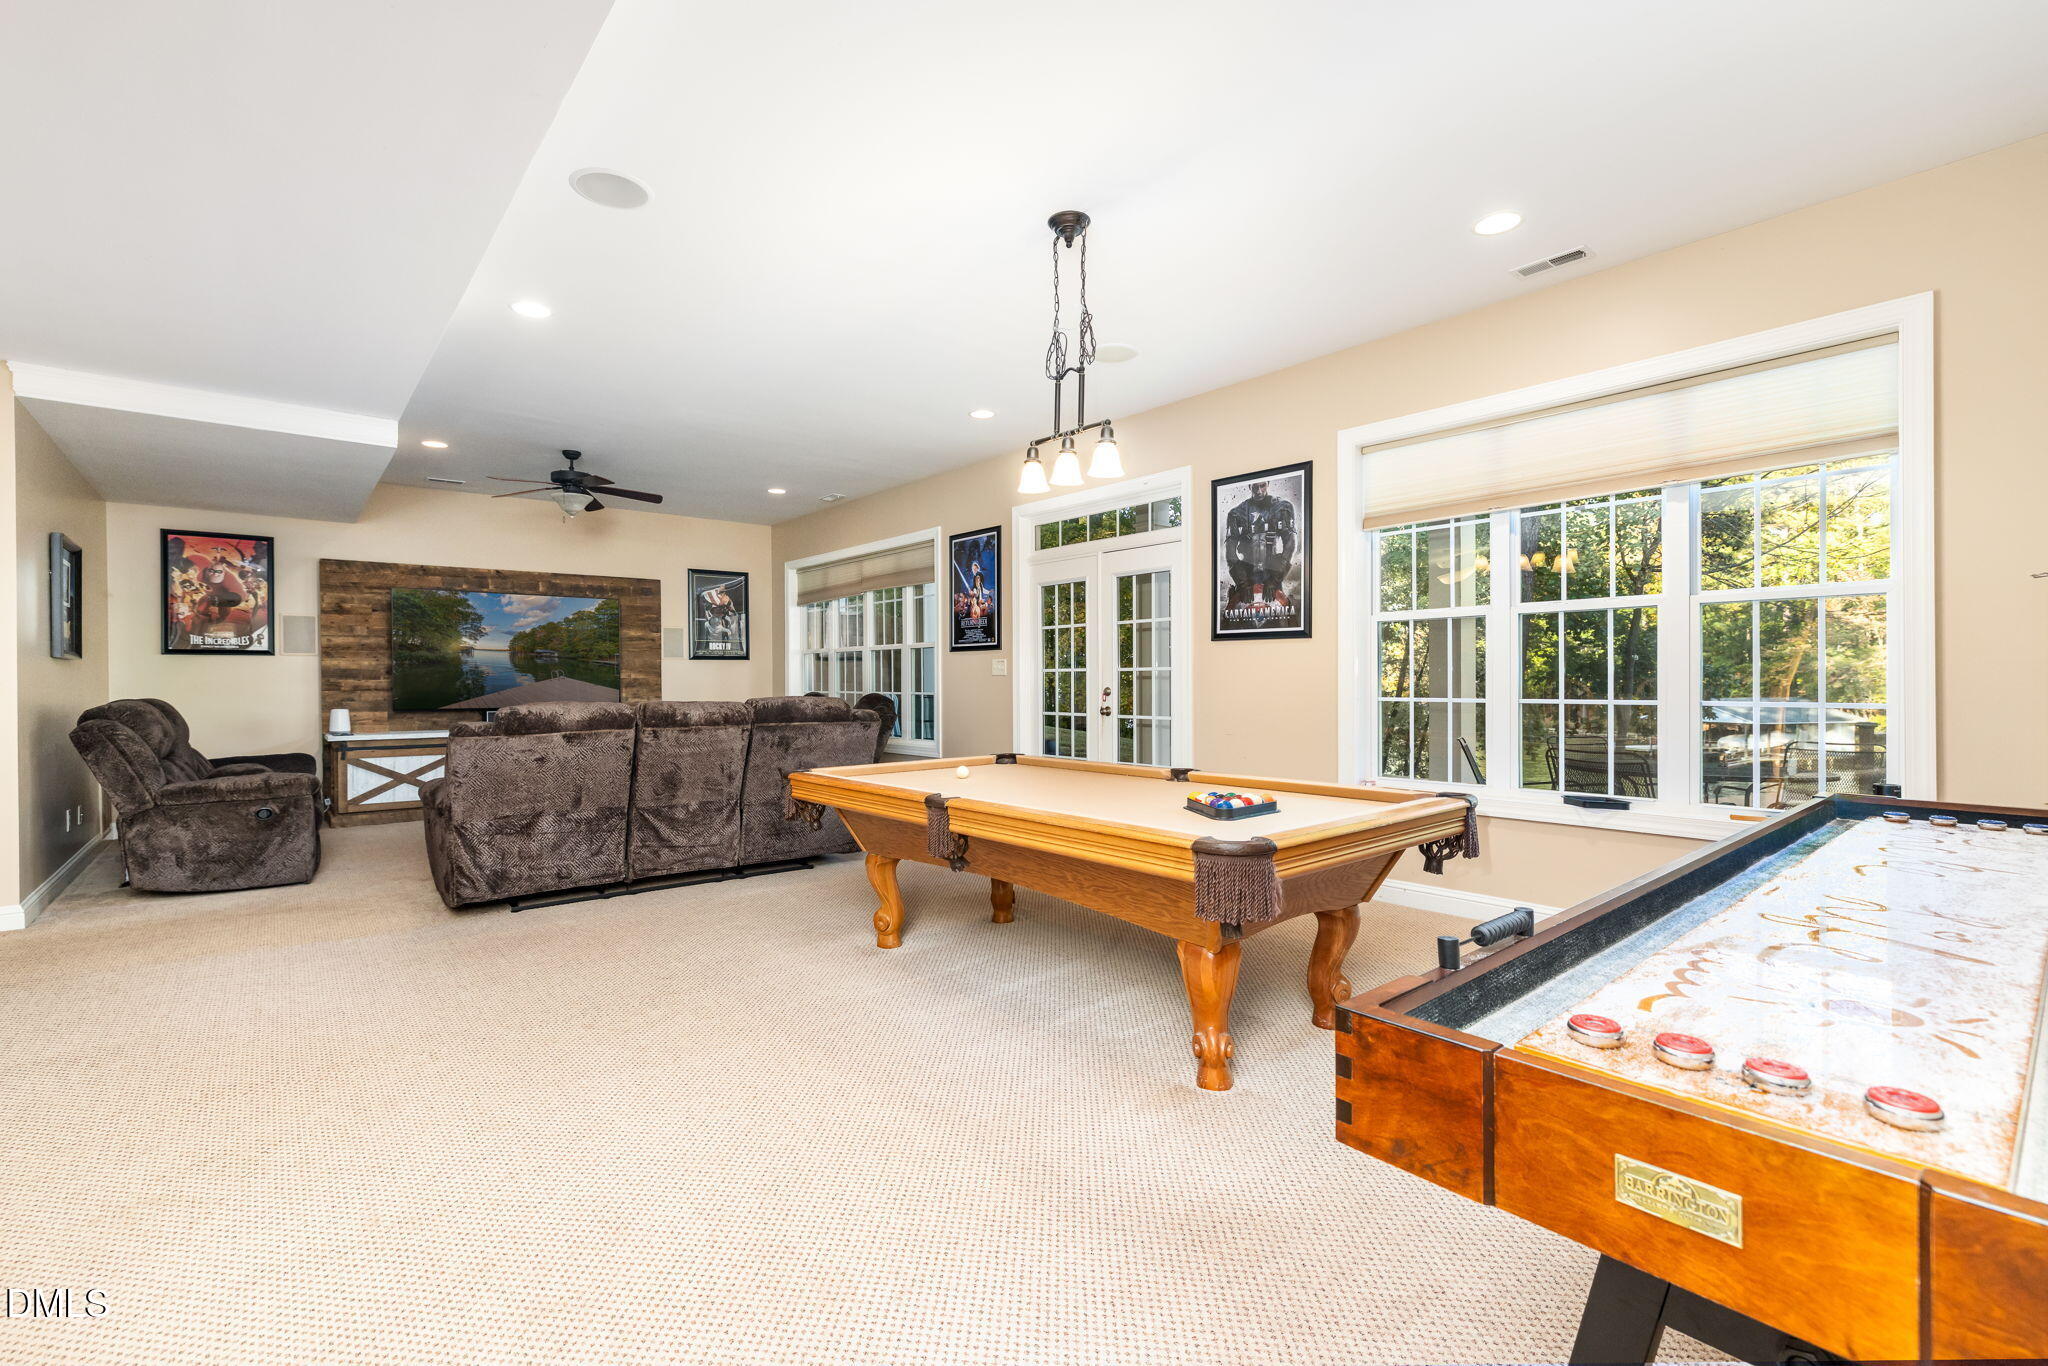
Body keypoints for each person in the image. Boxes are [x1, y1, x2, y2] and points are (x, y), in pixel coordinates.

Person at [1223, 479, 1297, 616]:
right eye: (1255, 487)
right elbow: (1229, 551)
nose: (1259, 491)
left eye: (1262, 486)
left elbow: (1290, 543)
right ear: (1249, 485)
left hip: (1273, 573)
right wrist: (1242, 583)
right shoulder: (1236, 513)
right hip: (1246, 575)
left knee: (1283, 619)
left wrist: (1275, 578)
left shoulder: (1282, 507)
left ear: (1268, 483)